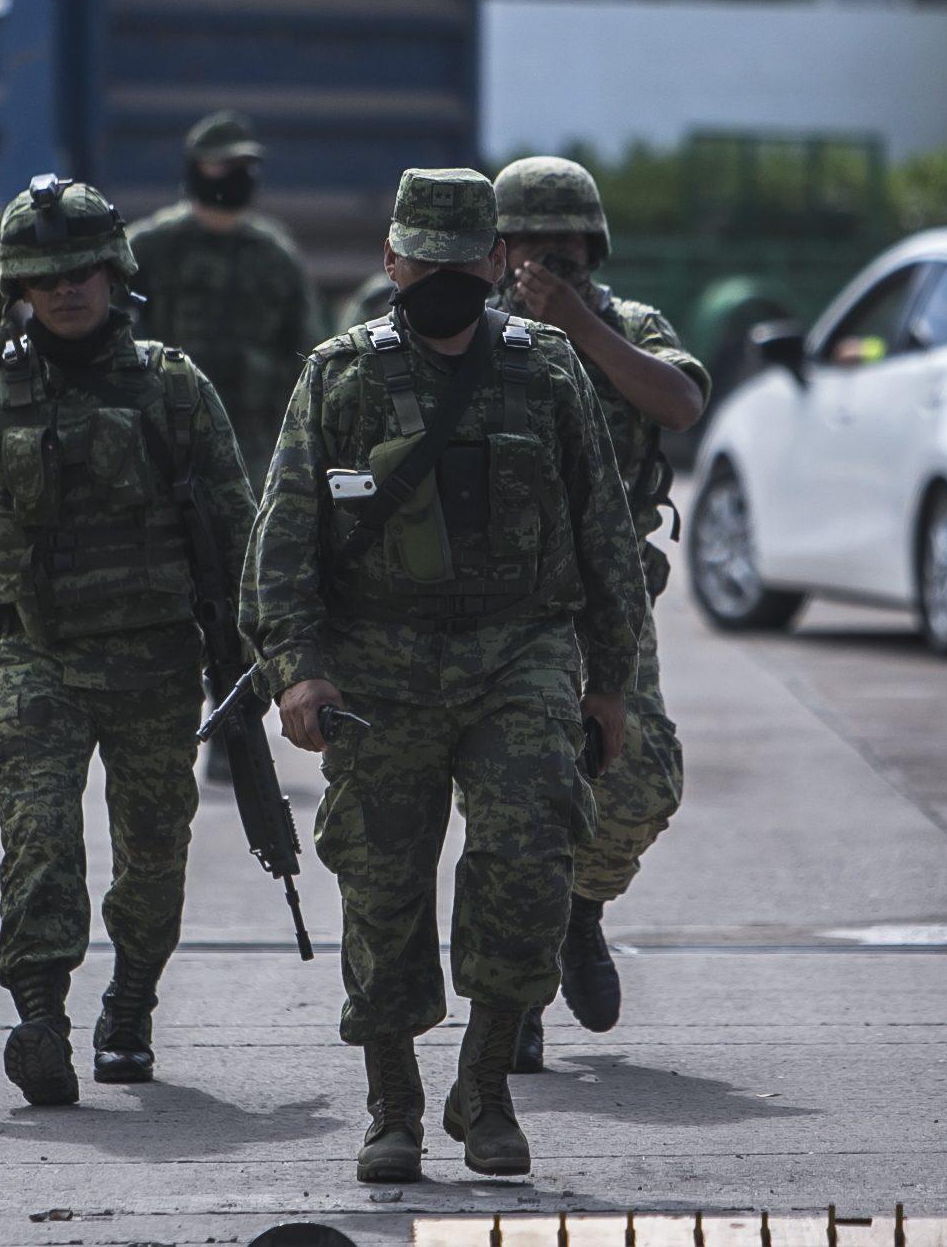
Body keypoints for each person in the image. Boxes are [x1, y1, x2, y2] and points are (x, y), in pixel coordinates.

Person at [241, 168, 648, 1182]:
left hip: (518, 655)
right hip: (378, 668)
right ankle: (392, 1104)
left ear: (496, 263)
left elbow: (605, 535)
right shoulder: (338, 378)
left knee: (526, 863)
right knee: (381, 886)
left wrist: (612, 684)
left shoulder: (545, 370)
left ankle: (487, 1085)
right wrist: (297, 672)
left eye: (464, 264)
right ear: (391, 263)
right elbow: (281, 542)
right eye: (423, 263)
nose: (443, 281)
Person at [0, 176, 258, 1107]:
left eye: (82, 272)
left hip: (157, 665)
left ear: (115, 274)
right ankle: (39, 1017)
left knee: (154, 853)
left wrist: (272, 659)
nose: (67, 290)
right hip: (38, 659)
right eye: (44, 276)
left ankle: (132, 1005)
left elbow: (242, 533)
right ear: (16, 291)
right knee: (38, 841)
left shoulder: (175, 390)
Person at [492, 155, 707, 1071]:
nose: (552, 256)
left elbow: (681, 401)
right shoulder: (478, 329)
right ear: (498, 250)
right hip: (499, 600)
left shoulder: (629, 324)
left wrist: (580, 327)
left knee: (641, 776)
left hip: (607, 598)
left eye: (568, 241)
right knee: (517, 800)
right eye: (533, 242)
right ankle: (521, 986)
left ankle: (581, 911)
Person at [126, 110, 323, 485]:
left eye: (246, 165)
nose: (238, 175)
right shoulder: (150, 248)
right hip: (163, 438)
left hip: (253, 447)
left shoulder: (275, 255)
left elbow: (306, 353)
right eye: (224, 164)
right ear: (196, 169)